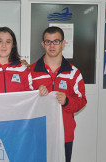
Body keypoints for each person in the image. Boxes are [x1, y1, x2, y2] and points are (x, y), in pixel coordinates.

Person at [30, 26, 87, 162]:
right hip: (39, 134)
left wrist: (67, 101)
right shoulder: (31, 71)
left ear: (63, 43)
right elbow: (24, 101)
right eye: (48, 42)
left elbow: (82, 101)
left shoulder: (74, 73)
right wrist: (36, 96)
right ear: (43, 44)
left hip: (65, 135)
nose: (52, 45)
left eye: (56, 41)